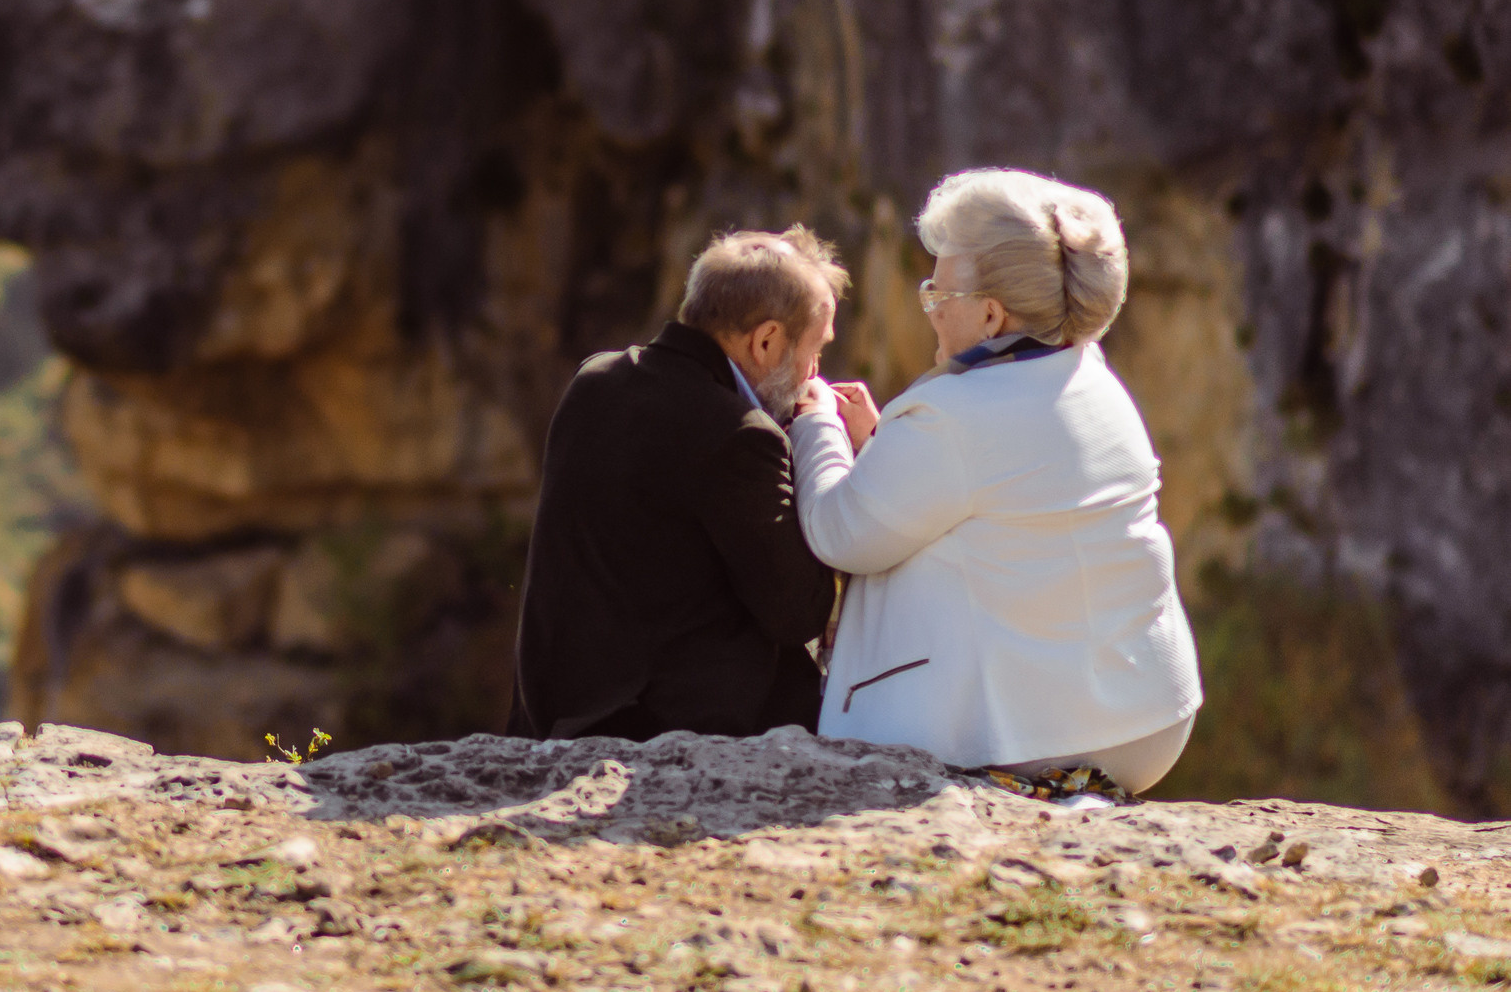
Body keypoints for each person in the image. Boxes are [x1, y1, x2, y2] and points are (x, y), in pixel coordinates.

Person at [791, 169, 1203, 794]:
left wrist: (814, 424)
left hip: (1032, 740)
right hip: (1146, 720)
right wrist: (884, 449)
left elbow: (840, 532)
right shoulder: (1092, 379)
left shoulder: (950, 418)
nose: (928, 307)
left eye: (938, 292)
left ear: (990, 315)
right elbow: (1001, 491)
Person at [508, 229, 845, 742]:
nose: (815, 372)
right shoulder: (738, 435)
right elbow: (798, 612)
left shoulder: (595, 379)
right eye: (814, 350)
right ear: (767, 341)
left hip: (550, 716)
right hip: (657, 734)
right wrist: (822, 431)